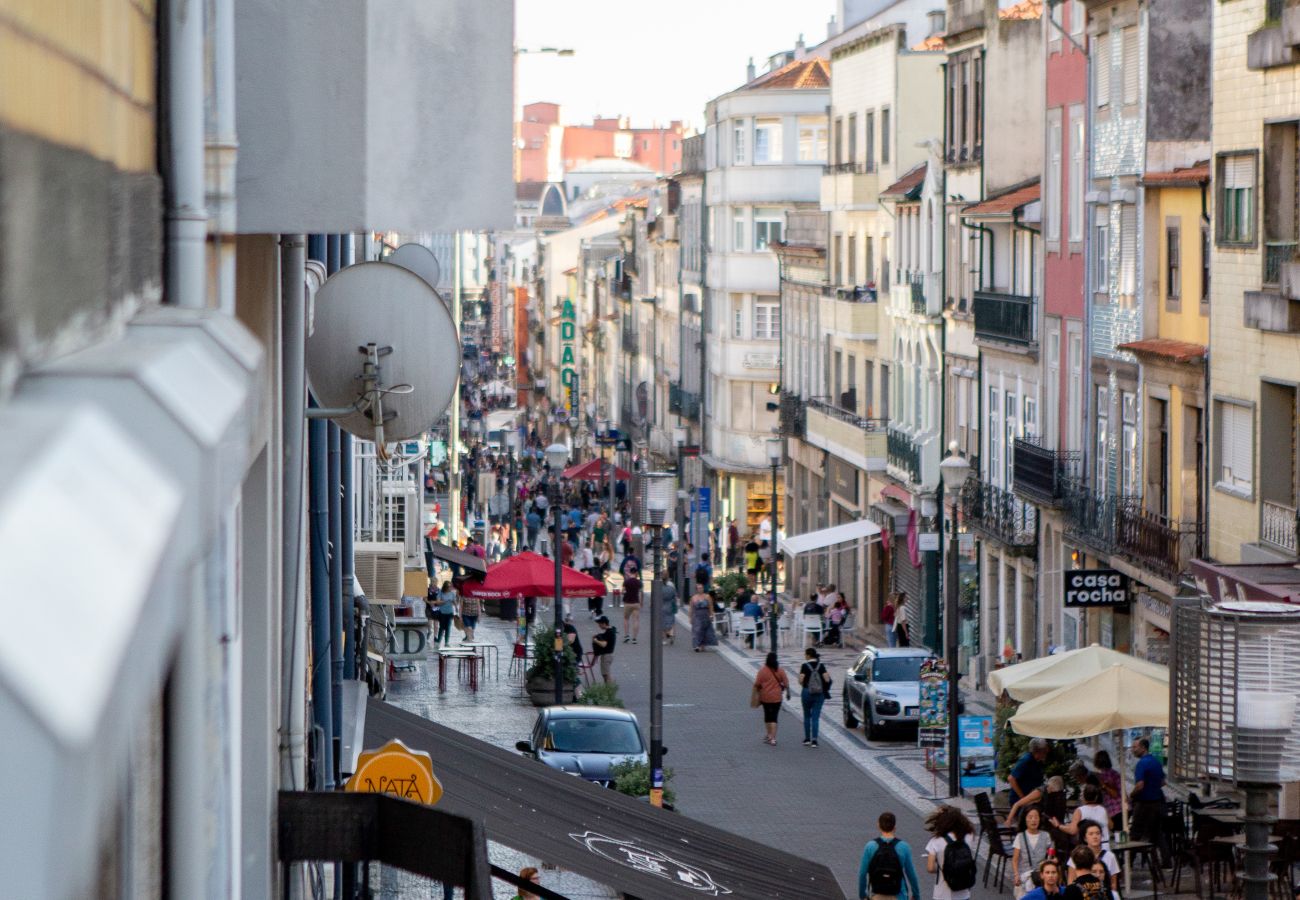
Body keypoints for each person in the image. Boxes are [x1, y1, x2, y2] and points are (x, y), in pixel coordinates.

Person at [858, 811, 923, 900]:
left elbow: (862, 874)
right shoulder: (904, 846)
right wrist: (916, 895)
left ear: (879, 826)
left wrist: (862, 895)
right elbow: (911, 874)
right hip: (899, 894)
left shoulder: (870, 846)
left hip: (877, 894)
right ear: (894, 827)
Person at [924, 805, 978, 900]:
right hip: (963, 892)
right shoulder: (969, 836)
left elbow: (930, 868)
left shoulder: (936, 841)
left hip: (942, 893)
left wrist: (942, 866)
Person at [1129, 737, 1167, 860]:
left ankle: (1129, 861)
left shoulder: (1142, 764)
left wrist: (1131, 795)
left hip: (1144, 803)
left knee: (1135, 832)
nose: (1132, 750)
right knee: (1157, 833)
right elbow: (1162, 782)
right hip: (1157, 803)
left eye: (1135, 747)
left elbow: (1140, 785)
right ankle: (1166, 861)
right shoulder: (1156, 762)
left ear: (1143, 748)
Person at [1052, 785, 1111, 850]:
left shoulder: (1080, 811)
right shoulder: (1103, 809)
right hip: (1105, 846)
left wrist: (1058, 826)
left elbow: (1073, 831)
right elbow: (1111, 825)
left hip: (1089, 847)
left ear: (1083, 797)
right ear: (1096, 797)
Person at [1006, 738, 1051, 823]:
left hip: (1031, 800)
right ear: (1038, 751)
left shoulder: (1038, 761)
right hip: (1022, 801)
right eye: (1045, 750)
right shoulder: (1026, 760)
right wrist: (1023, 798)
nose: (1047, 751)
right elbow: (1011, 778)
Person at [1012, 808, 1053, 898]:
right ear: (1025, 819)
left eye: (1036, 817)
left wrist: (1050, 861)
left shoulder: (1046, 836)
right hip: (1025, 875)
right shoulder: (1020, 837)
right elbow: (1015, 860)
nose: (1033, 820)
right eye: (1030, 817)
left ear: (1040, 819)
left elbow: (1051, 855)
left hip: (1041, 876)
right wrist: (1016, 875)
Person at [1066, 821, 1118, 891]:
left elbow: (1113, 883)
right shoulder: (1076, 856)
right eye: (1091, 834)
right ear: (1085, 838)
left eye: (1098, 833)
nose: (1095, 836)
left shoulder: (1110, 856)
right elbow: (1070, 881)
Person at [753, 651, 790, 745]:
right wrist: (788, 693)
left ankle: (769, 735)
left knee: (767, 716)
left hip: (765, 697)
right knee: (774, 717)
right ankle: (773, 738)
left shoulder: (762, 670)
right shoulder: (780, 670)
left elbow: (757, 684)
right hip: (777, 697)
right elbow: (786, 683)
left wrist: (757, 692)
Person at [799, 647, 831, 748]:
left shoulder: (804, 666)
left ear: (808, 655)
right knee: (816, 717)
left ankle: (807, 739)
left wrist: (805, 685)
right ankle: (815, 740)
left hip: (806, 692)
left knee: (807, 715)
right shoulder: (821, 666)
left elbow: (800, 680)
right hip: (819, 693)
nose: (805, 656)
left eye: (805, 654)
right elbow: (827, 679)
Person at [1092, 750, 1123, 830]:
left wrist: (1103, 786)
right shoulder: (1115, 773)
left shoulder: (1100, 776)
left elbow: (1115, 794)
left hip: (1113, 809)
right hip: (1121, 807)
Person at [690, 576, 718, 651]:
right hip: (697, 616)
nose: (700, 589)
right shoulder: (693, 598)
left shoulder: (707, 596)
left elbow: (711, 606)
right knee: (697, 630)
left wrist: (711, 614)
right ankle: (696, 645)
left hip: (705, 615)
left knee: (705, 630)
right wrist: (690, 617)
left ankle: (703, 645)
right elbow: (691, 608)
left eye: (701, 588)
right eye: (698, 588)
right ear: (696, 589)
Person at [591, 616, 617, 683]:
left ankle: (609, 690)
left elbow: (604, 644)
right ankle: (608, 688)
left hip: (606, 656)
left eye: (600, 624)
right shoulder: (611, 631)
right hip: (608, 655)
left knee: (606, 675)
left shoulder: (609, 632)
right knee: (605, 674)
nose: (599, 626)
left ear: (604, 623)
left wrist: (595, 640)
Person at [432, 580, 457, 647]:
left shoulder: (452, 593)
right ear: (445, 587)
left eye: (450, 586)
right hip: (442, 612)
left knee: (448, 627)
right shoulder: (441, 592)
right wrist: (445, 601)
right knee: (442, 627)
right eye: (448, 586)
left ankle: (446, 642)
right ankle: (438, 641)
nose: (450, 588)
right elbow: (437, 602)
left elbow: (455, 603)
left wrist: (455, 605)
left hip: (450, 612)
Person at [621, 568, 641, 643]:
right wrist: (641, 602)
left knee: (626, 619)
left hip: (627, 602)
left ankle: (626, 635)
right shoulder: (638, 582)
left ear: (630, 573)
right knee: (636, 620)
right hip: (636, 602)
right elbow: (640, 592)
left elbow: (622, 591)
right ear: (636, 573)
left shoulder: (626, 582)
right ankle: (634, 638)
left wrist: (625, 592)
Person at [659, 574, 678, 644]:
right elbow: (675, 597)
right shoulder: (671, 588)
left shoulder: (659, 588)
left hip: (661, 606)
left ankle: (664, 639)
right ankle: (671, 633)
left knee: (662, 622)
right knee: (671, 621)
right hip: (670, 606)